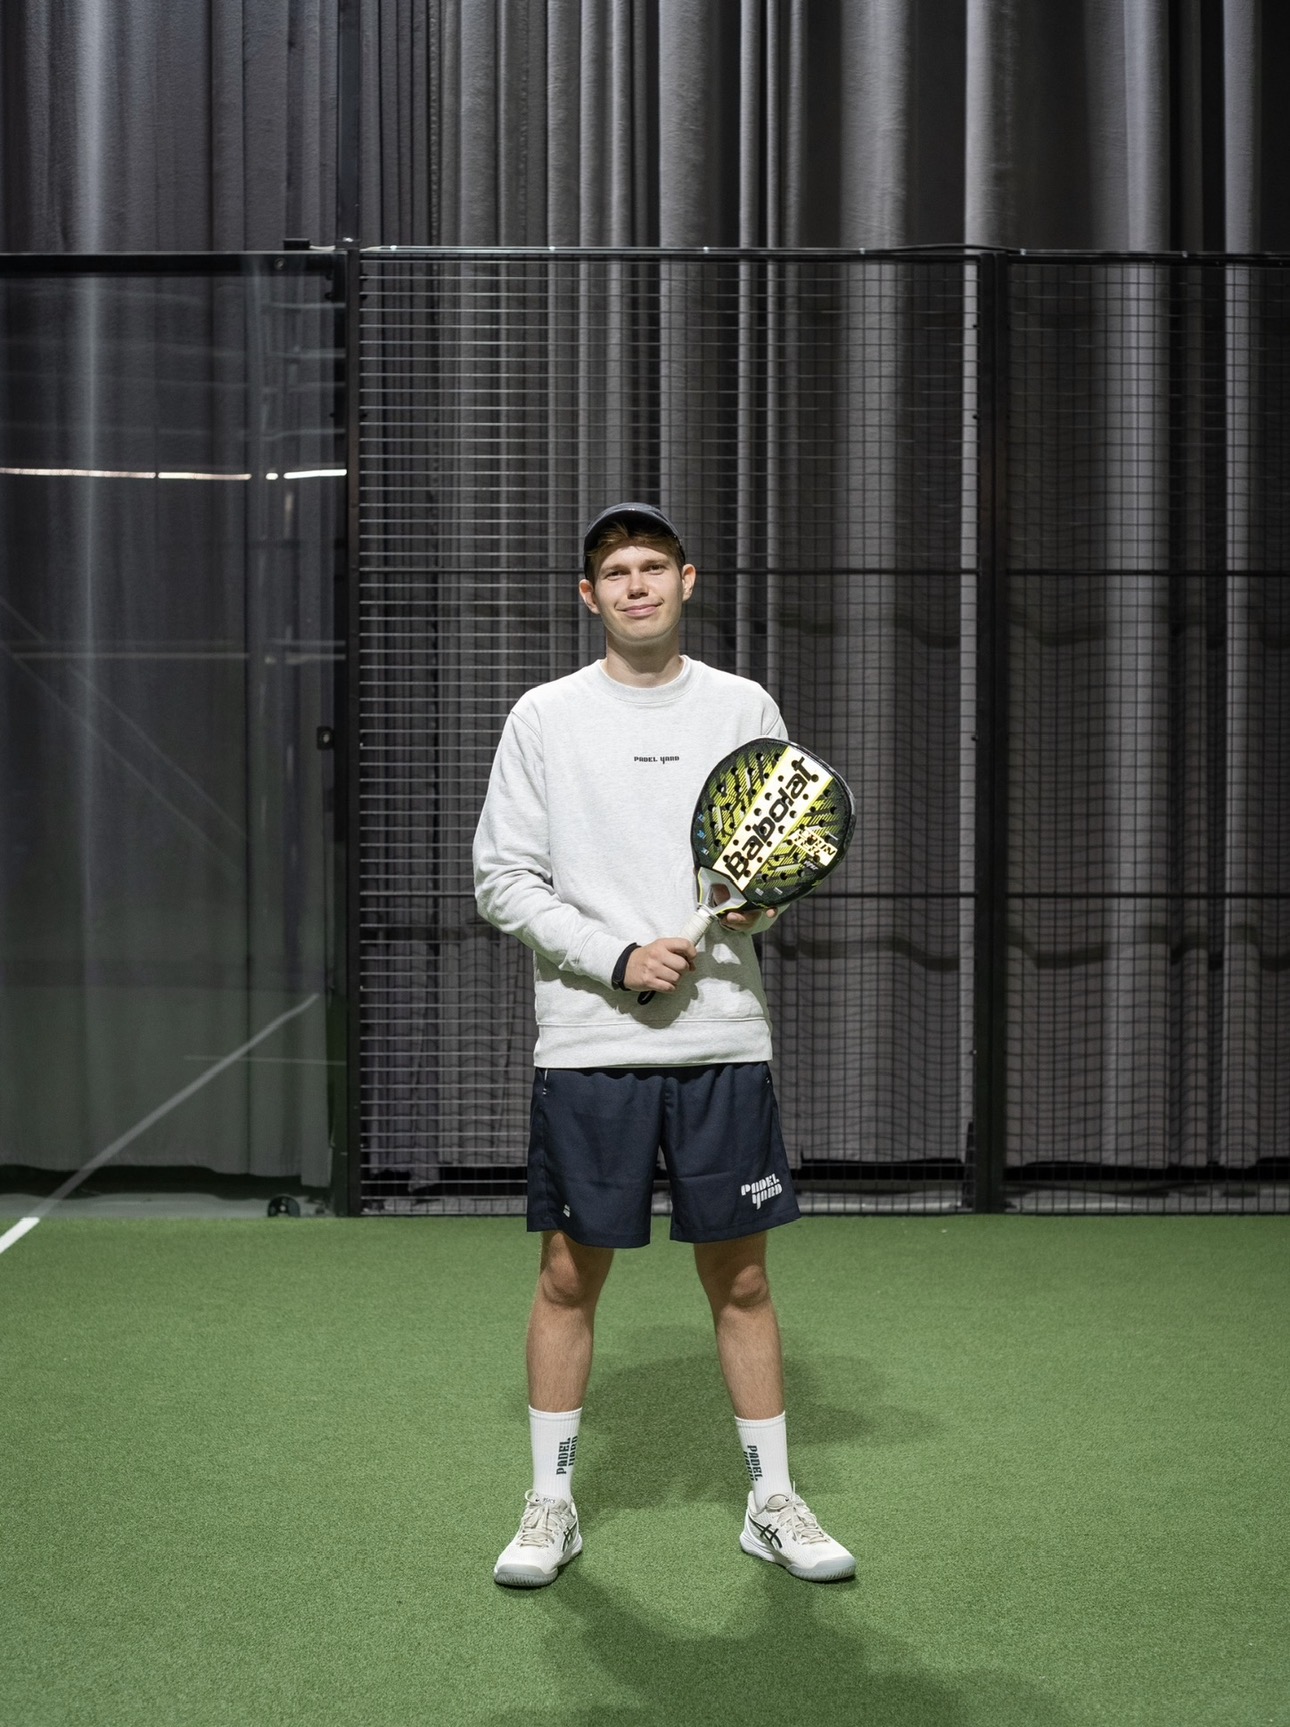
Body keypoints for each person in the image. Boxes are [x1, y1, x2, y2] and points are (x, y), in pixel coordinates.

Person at [472, 502, 855, 1588]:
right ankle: (551, 1505)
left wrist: (757, 910)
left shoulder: (744, 705)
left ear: (687, 581)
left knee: (742, 1279)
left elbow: (772, 853)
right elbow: (502, 878)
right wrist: (616, 956)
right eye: (615, 572)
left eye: (653, 566)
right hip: (589, 1042)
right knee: (566, 1275)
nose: (636, 585)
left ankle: (771, 1501)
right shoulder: (544, 716)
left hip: (722, 1039)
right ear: (588, 596)